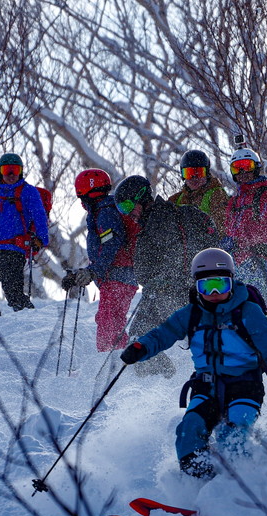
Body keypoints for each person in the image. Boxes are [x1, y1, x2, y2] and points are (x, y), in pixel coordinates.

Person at [119, 248, 267, 479]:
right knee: (189, 430)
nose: (214, 292)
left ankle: (237, 486)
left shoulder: (248, 312)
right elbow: (162, 334)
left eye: (221, 285)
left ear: (232, 282)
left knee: (233, 431)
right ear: (197, 287)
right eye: (206, 287)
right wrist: (141, 348)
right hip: (206, 386)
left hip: (245, 385)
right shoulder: (191, 314)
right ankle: (201, 482)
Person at [116, 174, 220, 377]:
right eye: (122, 210)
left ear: (141, 197)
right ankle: (164, 377)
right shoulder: (170, 216)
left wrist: (167, 279)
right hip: (190, 290)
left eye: (128, 206)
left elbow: (173, 255)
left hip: (174, 292)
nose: (128, 214)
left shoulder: (158, 221)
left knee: (140, 337)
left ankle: (162, 379)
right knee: (144, 335)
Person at [64, 168, 139, 351]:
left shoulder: (105, 212)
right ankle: (119, 358)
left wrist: (94, 271)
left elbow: (111, 243)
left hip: (118, 275)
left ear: (83, 195)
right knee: (111, 319)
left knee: (109, 321)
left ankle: (112, 361)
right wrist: (89, 271)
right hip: (120, 274)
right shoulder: (106, 209)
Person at [0, 153, 48, 316]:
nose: (11, 174)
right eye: (7, 170)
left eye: (15, 170)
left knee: (13, 294)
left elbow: (39, 216)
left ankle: (30, 322)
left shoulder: (29, 192)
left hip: (15, 250)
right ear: (0, 172)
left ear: (21, 171)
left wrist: (41, 239)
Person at [224, 146, 267, 306]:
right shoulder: (235, 200)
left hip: (259, 259)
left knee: (256, 301)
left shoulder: (266, 194)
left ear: (256, 168)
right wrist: (228, 241)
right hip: (235, 261)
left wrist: (242, 240)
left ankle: (264, 326)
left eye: (247, 166)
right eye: (237, 168)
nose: (243, 172)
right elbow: (229, 227)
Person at [168, 150, 230, 239]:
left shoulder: (216, 194)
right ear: (183, 175)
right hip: (184, 248)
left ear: (207, 173)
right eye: (189, 173)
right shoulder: (176, 199)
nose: (194, 178)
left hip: (209, 246)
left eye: (199, 173)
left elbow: (221, 226)